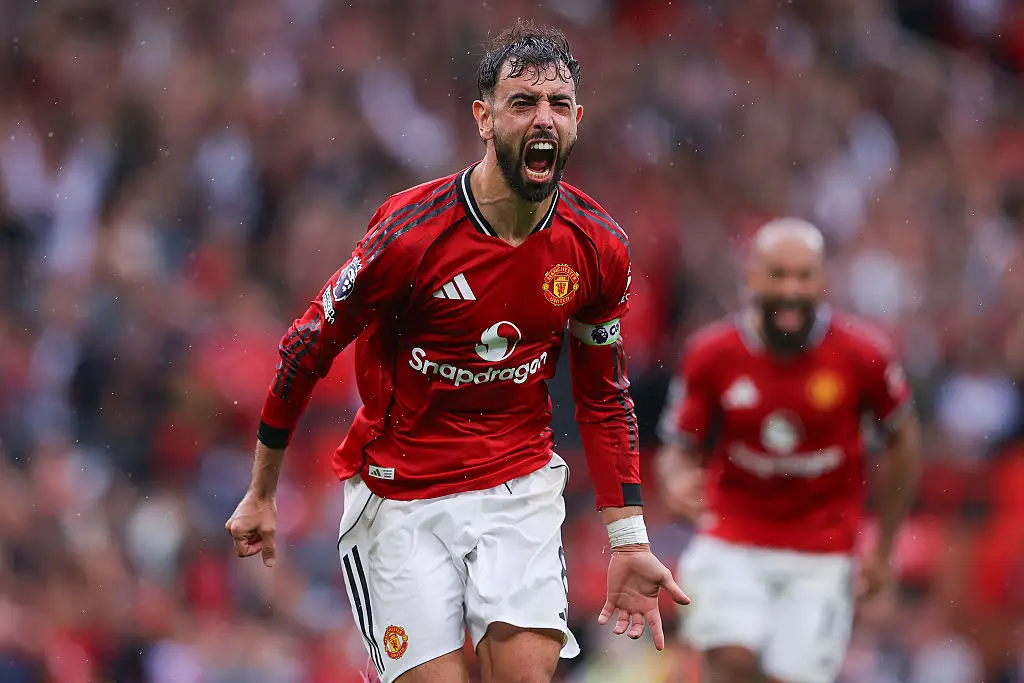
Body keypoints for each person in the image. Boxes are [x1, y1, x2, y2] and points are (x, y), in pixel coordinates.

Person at [224, 20, 688, 683]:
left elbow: (603, 396)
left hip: (516, 488)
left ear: (578, 119)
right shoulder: (412, 234)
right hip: (401, 495)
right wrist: (262, 491)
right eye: (522, 103)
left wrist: (628, 536)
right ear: (484, 116)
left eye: (558, 104)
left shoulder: (596, 247)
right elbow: (307, 345)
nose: (543, 119)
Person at [656, 218, 922, 683]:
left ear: (823, 281)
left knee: (790, 676)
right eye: (778, 274)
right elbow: (677, 446)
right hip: (733, 535)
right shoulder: (712, 353)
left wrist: (883, 547)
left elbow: (904, 441)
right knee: (731, 659)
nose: (791, 289)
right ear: (751, 278)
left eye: (804, 276)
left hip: (823, 548)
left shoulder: (864, 355)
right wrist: (675, 479)